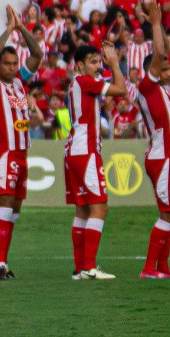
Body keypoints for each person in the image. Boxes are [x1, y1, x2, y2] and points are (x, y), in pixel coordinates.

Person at [0, 5, 43, 280]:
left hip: (21, 153)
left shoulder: (19, 82)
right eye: (7, 64)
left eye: (14, 64)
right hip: (4, 153)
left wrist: (21, 28)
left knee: (14, 211)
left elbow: (38, 54)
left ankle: (4, 260)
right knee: (5, 208)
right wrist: (8, 29)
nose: (11, 67)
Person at [66, 40, 126, 280]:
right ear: (80, 65)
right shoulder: (84, 81)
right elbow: (121, 89)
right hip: (86, 151)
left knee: (83, 210)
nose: (98, 66)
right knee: (100, 207)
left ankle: (80, 268)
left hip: (75, 150)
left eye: (99, 61)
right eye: (93, 62)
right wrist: (115, 64)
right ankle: (89, 267)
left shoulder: (78, 83)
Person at [132, 1, 170, 279]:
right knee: (167, 212)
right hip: (162, 157)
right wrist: (155, 24)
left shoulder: (165, 91)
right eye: (160, 62)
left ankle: (162, 266)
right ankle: (148, 268)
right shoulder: (147, 87)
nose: (165, 62)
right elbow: (160, 50)